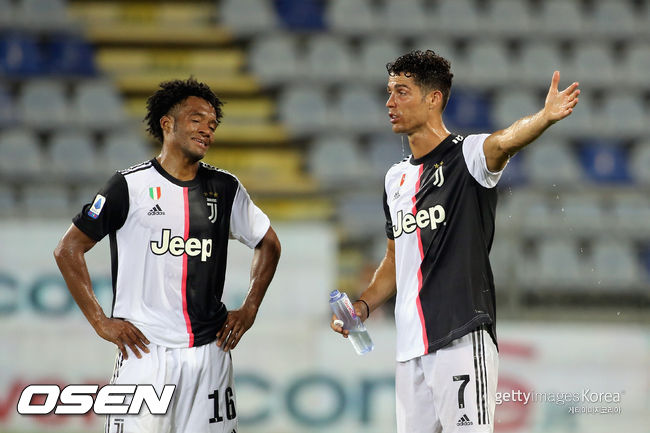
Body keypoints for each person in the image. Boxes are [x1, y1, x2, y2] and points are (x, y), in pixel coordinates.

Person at [331, 50, 579, 432]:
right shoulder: (394, 179)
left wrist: (543, 118)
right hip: (409, 349)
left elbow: (503, 142)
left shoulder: (467, 156)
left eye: (401, 91)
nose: (389, 102)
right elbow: (396, 260)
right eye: (389, 92)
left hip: (461, 338)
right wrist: (363, 306)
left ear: (434, 99)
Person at [54, 78, 281, 433]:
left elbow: (269, 243)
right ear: (167, 123)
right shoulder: (128, 186)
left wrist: (250, 307)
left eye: (212, 124)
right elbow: (68, 248)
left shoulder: (225, 188)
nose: (207, 128)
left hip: (210, 354)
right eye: (196, 119)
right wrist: (100, 321)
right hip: (145, 353)